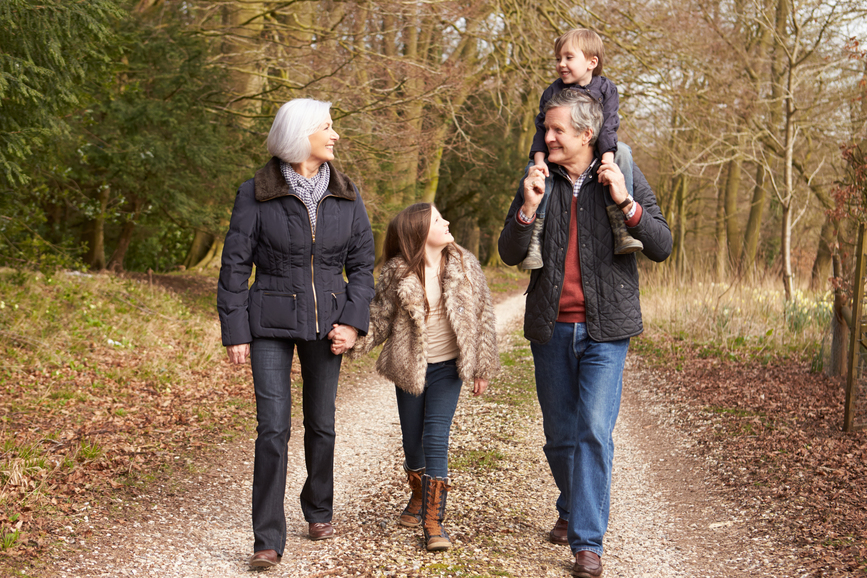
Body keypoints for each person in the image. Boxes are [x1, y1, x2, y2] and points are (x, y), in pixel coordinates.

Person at [498, 90, 671, 577]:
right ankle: (573, 505)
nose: (545, 137)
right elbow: (510, 252)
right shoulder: (538, 178)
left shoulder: (622, 173)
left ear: (585, 134)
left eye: (556, 130)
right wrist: (527, 207)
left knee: (594, 432)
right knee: (559, 438)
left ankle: (587, 543)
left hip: (607, 329)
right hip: (551, 327)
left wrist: (627, 201)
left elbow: (661, 244)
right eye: (546, 128)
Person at [217, 98, 375, 569]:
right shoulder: (256, 191)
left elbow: (363, 266)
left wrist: (351, 320)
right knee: (273, 428)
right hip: (267, 323)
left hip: (327, 323)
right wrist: (235, 330)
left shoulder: (347, 193)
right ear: (300, 134)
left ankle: (318, 508)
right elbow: (234, 265)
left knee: (321, 423)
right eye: (327, 127)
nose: (335, 135)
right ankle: (267, 538)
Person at [349, 203, 499, 552]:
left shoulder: (465, 265)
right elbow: (381, 318)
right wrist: (353, 341)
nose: (446, 222)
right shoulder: (397, 273)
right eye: (437, 220)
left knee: (435, 438)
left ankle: (433, 522)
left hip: (449, 368)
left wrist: (482, 367)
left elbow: (484, 317)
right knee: (412, 442)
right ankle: (418, 496)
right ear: (419, 233)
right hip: (410, 367)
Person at [520, 28, 642, 270]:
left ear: (591, 62)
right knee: (536, 171)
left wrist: (608, 161)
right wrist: (540, 160)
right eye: (558, 59)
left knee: (624, 153)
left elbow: (608, 126)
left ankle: (620, 223)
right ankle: (535, 236)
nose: (561, 64)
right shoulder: (553, 92)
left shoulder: (607, 90)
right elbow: (541, 129)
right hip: (558, 154)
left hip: (599, 150)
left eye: (568, 57)